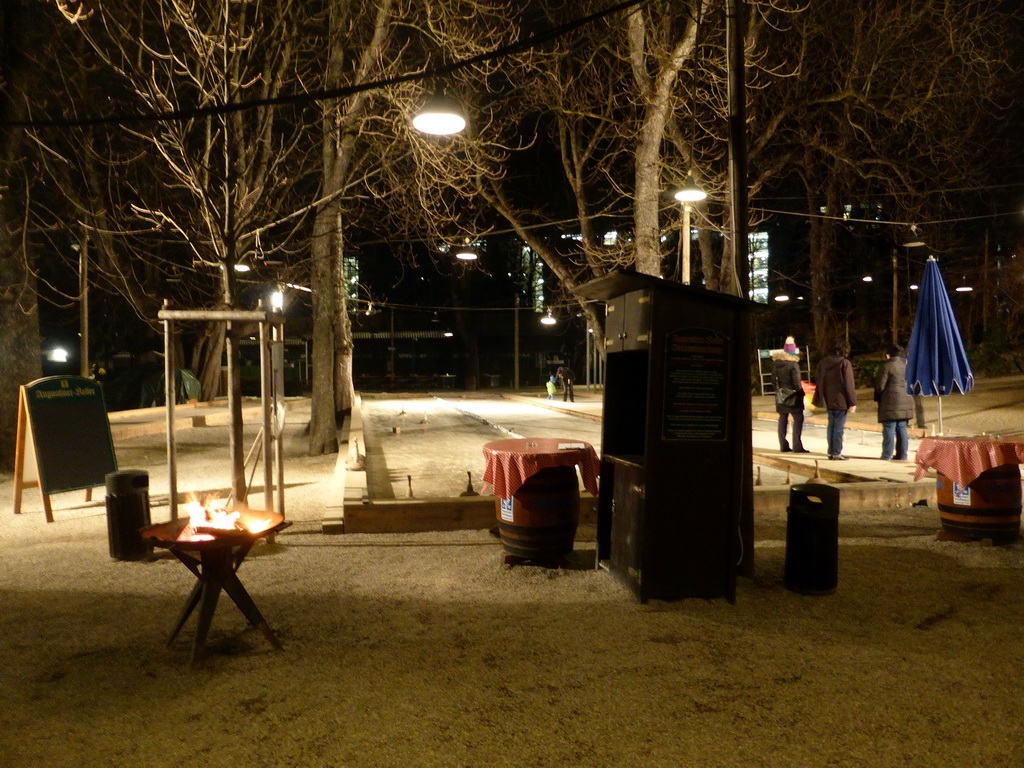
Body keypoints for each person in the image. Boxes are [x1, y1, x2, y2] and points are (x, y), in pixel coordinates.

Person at [813, 340, 857, 460]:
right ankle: (837, 452)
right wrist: (852, 402)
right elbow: (849, 384)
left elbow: (818, 378)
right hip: (841, 399)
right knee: (838, 427)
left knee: (831, 426)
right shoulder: (844, 363)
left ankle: (831, 451)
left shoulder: (823, 363)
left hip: (829, 398)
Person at [874, 343, 914, 461]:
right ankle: (902, 455)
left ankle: (887, 455)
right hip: (906, 401)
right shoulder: (906, 367)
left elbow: (880, 386)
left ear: (888, 355)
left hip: (890, 403)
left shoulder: (886, 367)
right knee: (902, 428)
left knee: (889, 429)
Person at [772, 337, 808, 453]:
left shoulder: (776, 365)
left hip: (780, 396)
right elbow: (797, 383)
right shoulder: (793, 365)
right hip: (793, 397)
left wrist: (780, 392)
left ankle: (783, 445)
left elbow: (773, 381)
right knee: (798, 418)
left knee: (782, 418)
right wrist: (802, 393)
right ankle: (797, 446)